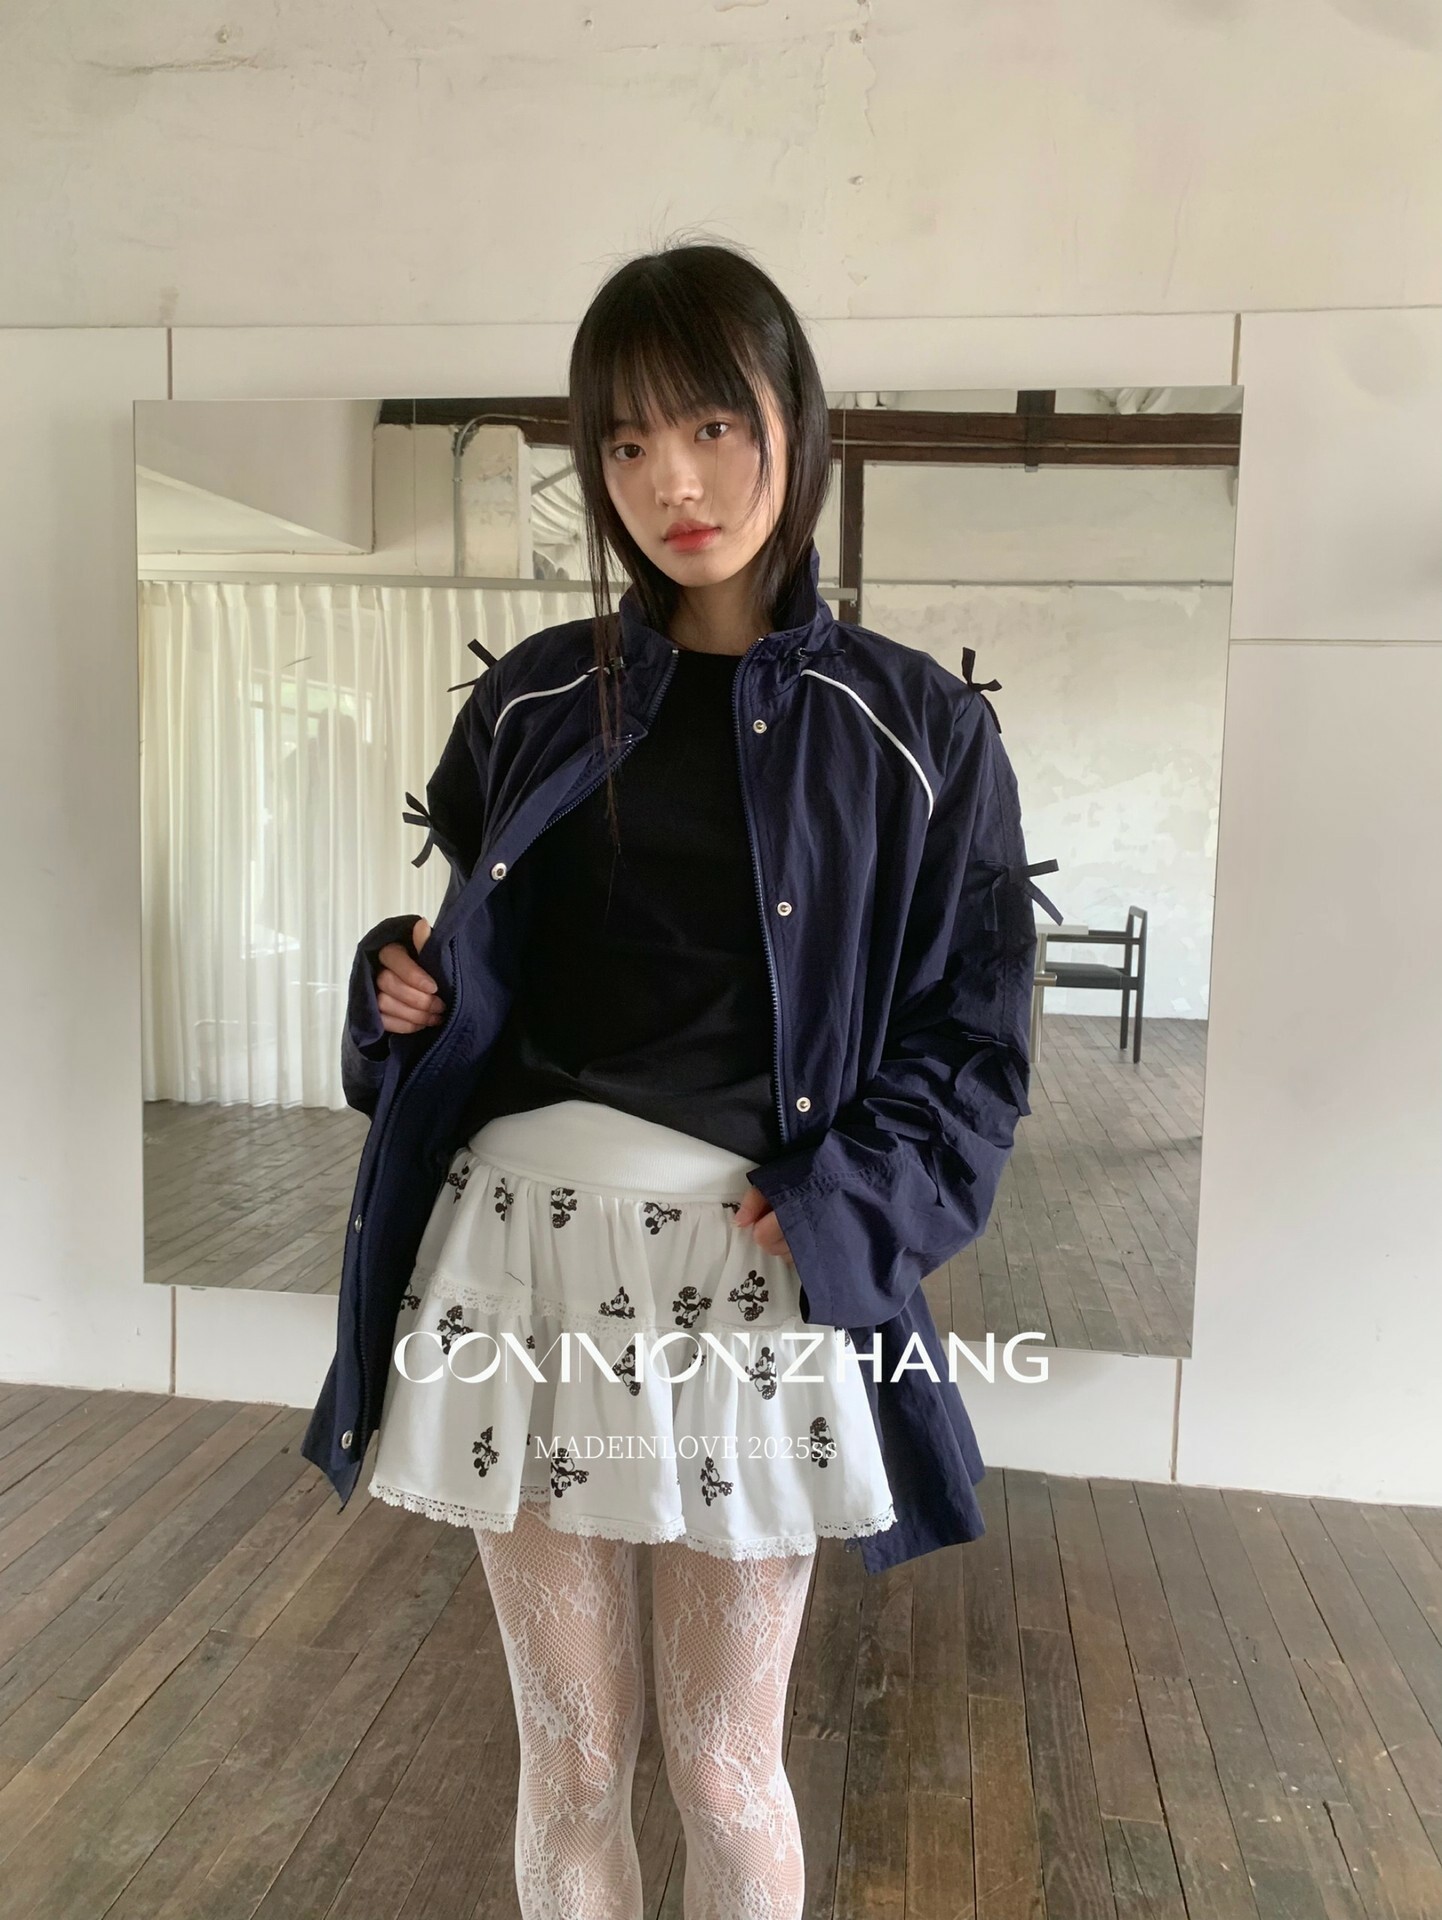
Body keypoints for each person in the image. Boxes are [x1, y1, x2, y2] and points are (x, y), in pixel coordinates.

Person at [323, 238, 1040, 1920]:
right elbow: (466, 978)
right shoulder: (530, 702)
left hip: (746, 1269)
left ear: (793, 418)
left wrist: (848, 1205)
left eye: (711, 426)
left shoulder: (920, 730)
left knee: (725, 1771)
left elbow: (977, 1041)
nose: (674, 484)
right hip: (517, 1254)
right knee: (570, 1762)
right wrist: (392, 990)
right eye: (628, 442)